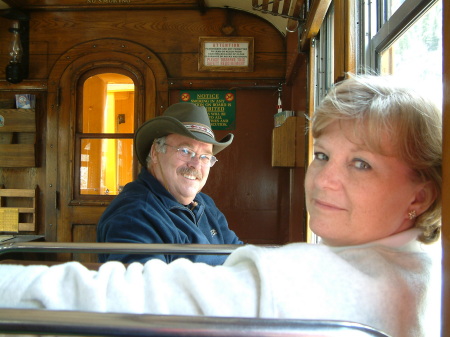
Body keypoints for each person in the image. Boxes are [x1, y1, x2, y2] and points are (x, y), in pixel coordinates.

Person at [0, 74, 442, 337]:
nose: (324, 178)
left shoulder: (206, 207)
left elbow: (235, 253)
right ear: (153, 153)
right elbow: (140, 305)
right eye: (323, 155)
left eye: (361, 164)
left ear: (419, 197)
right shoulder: (132, 214)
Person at [96, 102, 243, 265]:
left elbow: (240, 257)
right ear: (155, 152)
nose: (195, 164)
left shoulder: (204, 203)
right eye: (186, 151)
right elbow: (148, 287)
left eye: (205, 157)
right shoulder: (134, 215)